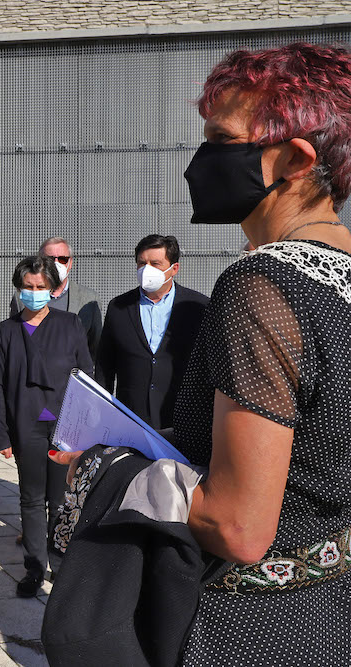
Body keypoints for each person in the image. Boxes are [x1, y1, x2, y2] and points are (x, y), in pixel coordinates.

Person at [53, 42, 351, 664]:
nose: (200, 160)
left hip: (248, 623)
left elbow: (239, 527)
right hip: (328, 607)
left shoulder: (263, 285)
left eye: (221, 139)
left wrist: (105, 464)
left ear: (294, 159)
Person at [0, 256, 92, 597]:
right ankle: (34, 567)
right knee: (31, 499)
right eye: (27, 288)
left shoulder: (70, 324)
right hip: (26, 426)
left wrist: (88, 427)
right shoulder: (5, 332)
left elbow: (87, 376)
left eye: (40, 288)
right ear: (18, 290)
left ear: (53, 289)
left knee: (62, 500)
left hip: (65, 427)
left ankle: (61, 565)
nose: (33, 293)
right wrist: (1, 434)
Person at [94, 234, 208, 429]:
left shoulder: (198, 306)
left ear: (174, 268)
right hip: (132, 418)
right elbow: (106, 364)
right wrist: (101, 410)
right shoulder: (119, 307)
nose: (147, 270)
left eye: (155, 264)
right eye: (142, 263)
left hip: (182, 419)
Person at [10, 237, 102, 360]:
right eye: (50, 259)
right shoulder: (22, 297)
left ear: (70, 263)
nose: (56, 263)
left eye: (63, 259)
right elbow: (14, 340)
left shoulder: (89, 298)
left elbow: (96, 345)